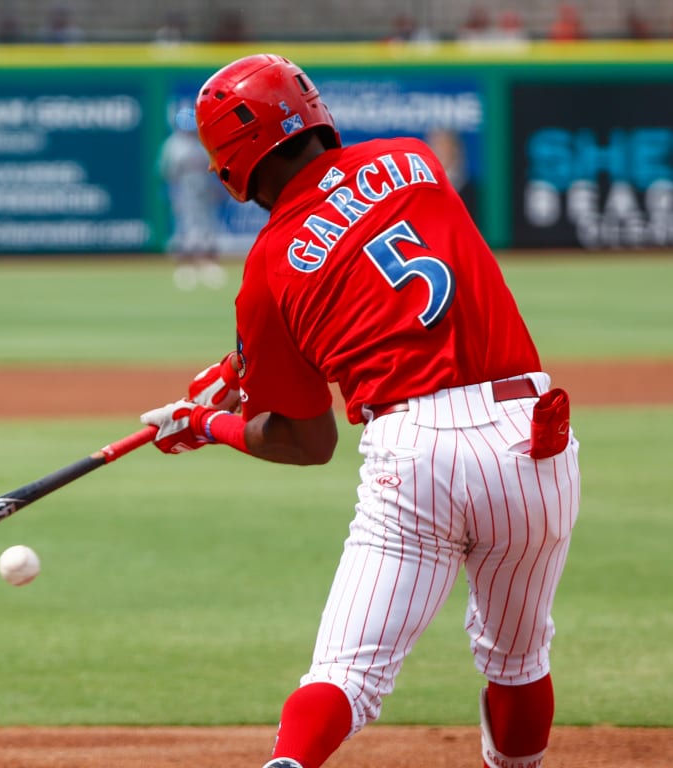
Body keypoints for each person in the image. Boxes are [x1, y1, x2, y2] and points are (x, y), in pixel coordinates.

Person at [139, 54, 580, 768]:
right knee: (518, 660)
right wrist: (236, 370)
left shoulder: (268, 270)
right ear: (312, 112)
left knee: (344, 678)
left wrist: (208, 423)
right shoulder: (413, 160)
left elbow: (307, 440)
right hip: (529, 436)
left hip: (413, 454)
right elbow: (380, 266)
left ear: (230, 164)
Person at [158, 113, 228, 290]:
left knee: (208, 225)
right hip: (184, 191)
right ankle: (185, 267)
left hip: (204, 190)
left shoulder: (203, 143)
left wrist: (216, 188)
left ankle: (208, 265)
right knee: (185, 227)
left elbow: (213, 167)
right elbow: (166, 172)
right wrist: (173, 192)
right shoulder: (173, 145)